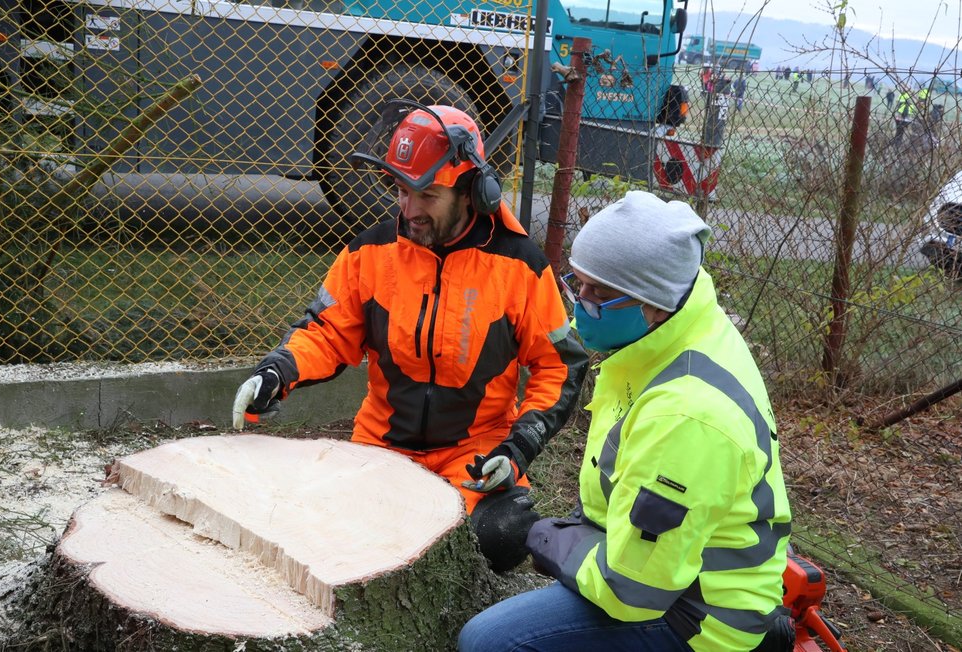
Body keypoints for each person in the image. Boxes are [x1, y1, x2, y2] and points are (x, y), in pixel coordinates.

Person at [231, 101, 589, 572]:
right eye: (401, 191)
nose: (409, 209)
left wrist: (519, 445)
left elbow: (558, 365)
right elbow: (327, 331)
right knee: (323, 528)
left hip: (473, 456)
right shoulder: (370, 253)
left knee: (502, 538)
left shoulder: (520, 267)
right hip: (381, 446)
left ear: (472, 192)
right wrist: (278, 370)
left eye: (427, 195)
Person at [459, 191, 793, 651]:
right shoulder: (672, 333)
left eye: (601, 294)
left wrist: (536, 537)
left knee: (489, 642)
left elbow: (632, 591)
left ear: (653, 300)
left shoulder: (686, 415)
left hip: (699, 618)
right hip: (671, 572)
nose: (582, 304)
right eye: (579, 283)